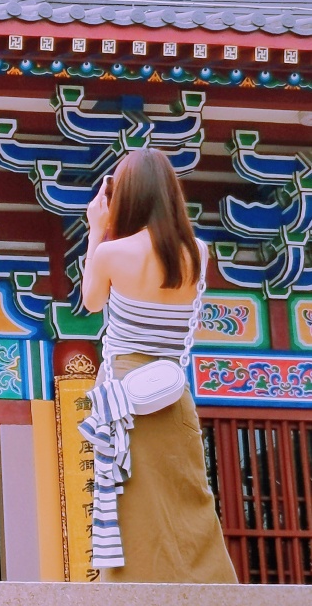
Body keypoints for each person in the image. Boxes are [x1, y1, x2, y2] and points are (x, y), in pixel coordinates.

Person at [80, 147, 237, 583]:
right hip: (170, 387)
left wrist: (98, 229)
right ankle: (208, 587)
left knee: (127, 499)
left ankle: (133, 589)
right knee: (188, 495)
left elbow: (91, 302)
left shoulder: (113, 253)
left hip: (125, 389)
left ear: (125, 196)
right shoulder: (199, 253)